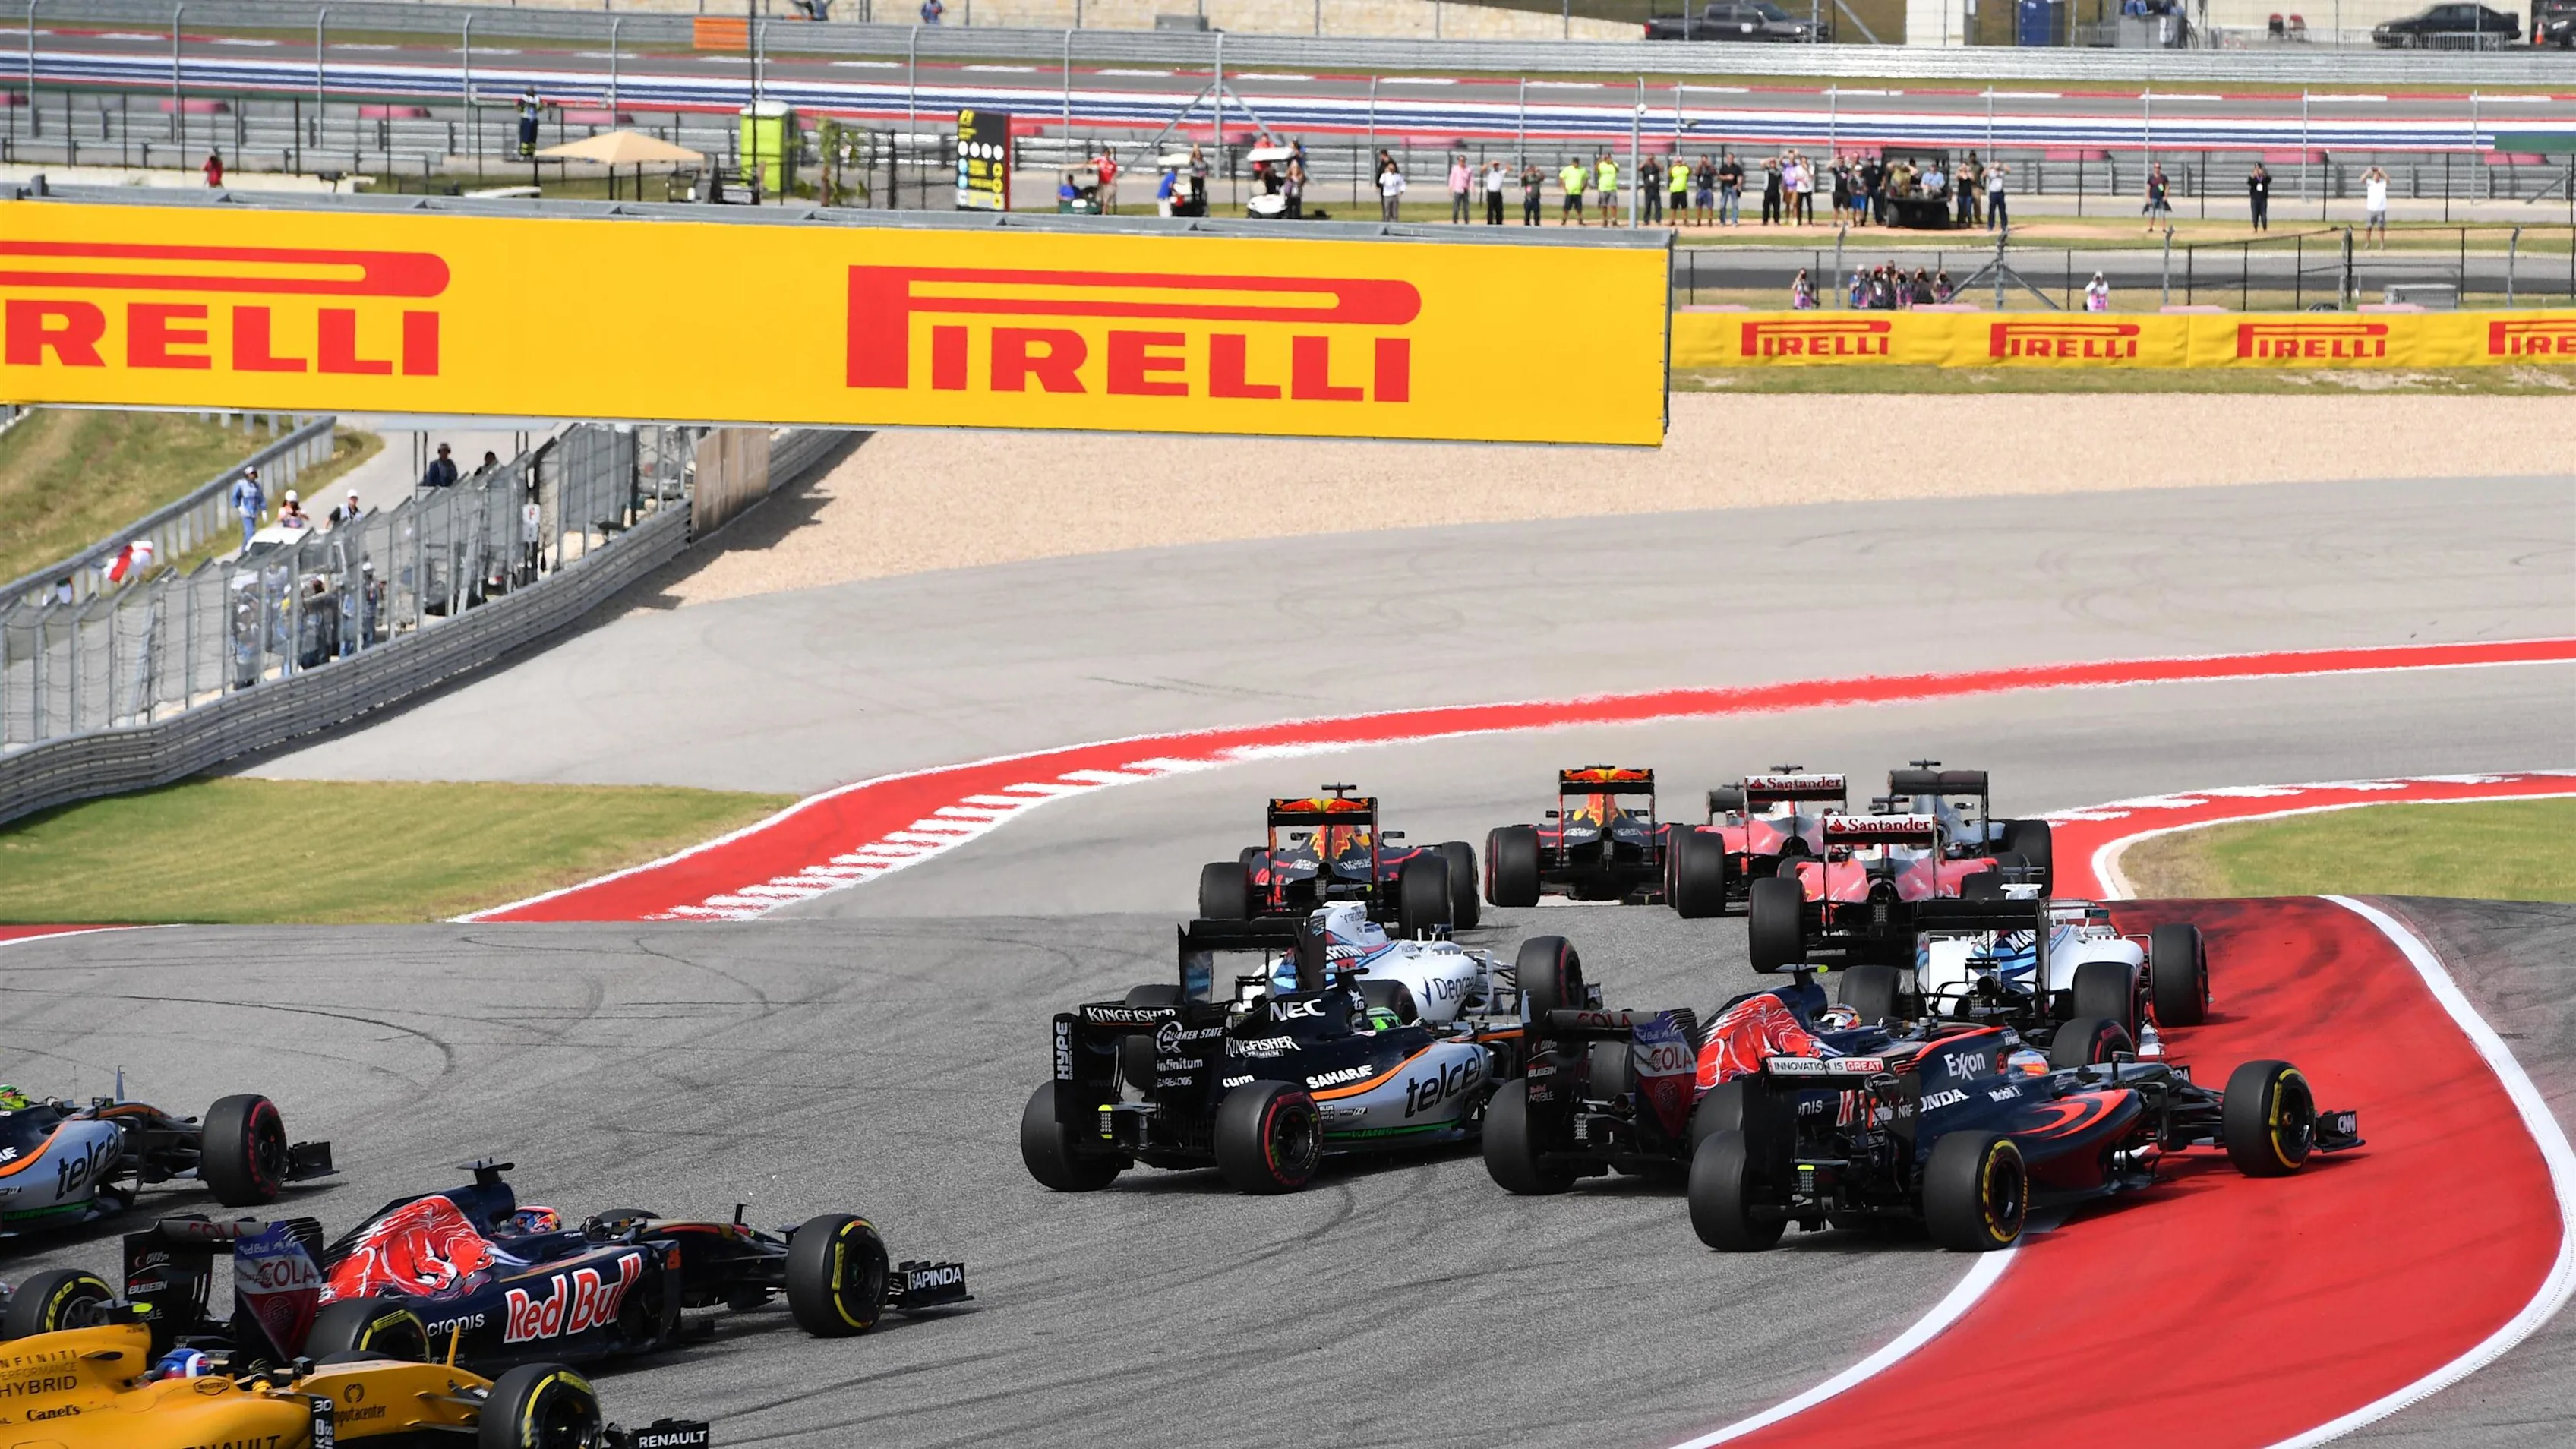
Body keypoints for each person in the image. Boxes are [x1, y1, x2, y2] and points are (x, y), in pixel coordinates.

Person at [229, 464, 267, 554]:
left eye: (254, 474)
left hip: (254, 513)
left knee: (248, 533)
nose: (253, 476)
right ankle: (249, 551)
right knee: (251, 532)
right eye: (251, 474)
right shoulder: (241, 484)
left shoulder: (257, 486)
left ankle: (244, 552)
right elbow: (235, 496)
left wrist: (263, 510)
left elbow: (261, 498)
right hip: (245, 512)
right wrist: (239, 507)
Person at [2363, 166, 2389, 248]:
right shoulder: (2370, 182)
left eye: (2378, 174)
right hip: (2371, 209)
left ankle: (2381, 243)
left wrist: (2383, 172)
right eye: (2375, 174)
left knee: (2381, 227)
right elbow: (2361, 180)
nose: (2376, 176)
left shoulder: (2382, 183)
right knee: (2368, 227)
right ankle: (2368, 243)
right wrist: (2368, 172)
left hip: (2380, 209)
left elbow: (2388, 180)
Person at [2142, 163, 2172, 229]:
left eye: (2158, 167)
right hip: (2153, 198)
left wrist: (2166, 196)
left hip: (2161, 198)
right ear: (2154, 168)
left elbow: (2167, 187)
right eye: (2156, 167)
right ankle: (2150, 227)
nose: (2157, 169)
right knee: (2151, 214)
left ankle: (2163, 228)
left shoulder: (2163, 178)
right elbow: (2148, 188)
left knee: (2162, 214)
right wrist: (2148, 198)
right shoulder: (2151, 178)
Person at [1717, 153, 1743, 226]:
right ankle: (1722, 221)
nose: (1730, 160)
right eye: (1728, 158)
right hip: (1725, 187)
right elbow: (1719, 177)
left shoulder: (1737, 168)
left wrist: (1737, 185)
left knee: (1735, 205)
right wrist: (1727, 177)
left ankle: (1734, 221)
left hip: (1733, 188)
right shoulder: (1723, 167)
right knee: (1723, 205)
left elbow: (1740, 177)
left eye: (1731, 158)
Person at [516, 88, 541, 162]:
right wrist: (524, 105)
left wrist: (534, 106)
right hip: (526, 119)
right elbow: (519, 109)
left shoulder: (537, 99)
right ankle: (523, 154)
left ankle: (531, 154)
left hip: (534, 119)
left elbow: (541, 108)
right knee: (525, 138)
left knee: (533, 138)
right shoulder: (523, 99)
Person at [1378, 155, 1406, 222]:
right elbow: (1381, 182)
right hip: (1387, 196)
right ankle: (1386, 224)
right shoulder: (1384, 176)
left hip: (1394, 195)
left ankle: (1395, 224)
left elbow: (1402, 184)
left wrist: (1401, 192)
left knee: (1394, 213)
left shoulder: (1397, 176)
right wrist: (1386, 173)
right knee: (1387, 213)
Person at [1594, 153, 1618, 226]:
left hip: (1612, 187)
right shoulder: (1601, 165)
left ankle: (1614, 219)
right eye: (1607, 158)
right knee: (1604, 205)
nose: (1608, 159)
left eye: (1609, 158)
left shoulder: (1614, 164)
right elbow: (1595, 169)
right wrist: (1600, 160)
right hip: (1603, 188)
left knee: (1613, 205)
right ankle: (1605, 220)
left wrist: (1612, 163)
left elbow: (1618, 170)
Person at [1559, 156, 1586, 224]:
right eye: (1574, 163)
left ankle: (1580, 220)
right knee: (1566, 207)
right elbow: (1561, 177)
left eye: (1577, 163)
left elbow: (1586, 179)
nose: (1576, 164)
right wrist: (1564, 187)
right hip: (1570, 192)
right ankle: (1564, 219)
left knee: (1579, 208)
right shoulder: (1567, 169)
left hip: (1578, 192)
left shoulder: (1582, 170)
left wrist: (1583, 188)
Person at [1694, 154, 1717, 227]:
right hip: (1701, 189)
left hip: (1708, 189)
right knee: (1698, 206)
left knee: (1710, 206)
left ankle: (1710, 221)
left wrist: (1709, 165)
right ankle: (1698, 221)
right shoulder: (1699, 168)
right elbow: (1696, 173)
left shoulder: (1710, 168)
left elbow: (1714, 172)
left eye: (1705, 159)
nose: (1704, 161)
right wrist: (1699, 165)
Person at [2247, 161, 2271, 232]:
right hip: (2255, 199)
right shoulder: (2253, 179)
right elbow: (2249, 182)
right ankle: (2255, 228)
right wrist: (2253, 176)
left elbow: (2269, 179)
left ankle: (2265, 227)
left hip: (2263, 199)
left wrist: (2264, 174)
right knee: (2255, 214)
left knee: (2263, 214)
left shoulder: (2264, 179)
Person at [1639, 156, 1663, 226]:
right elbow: (1639, 168)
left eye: (1652, 159)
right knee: (1647, 205)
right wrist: (1646, 160)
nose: (1651, 160)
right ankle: (1646, 220)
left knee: (1658, 205)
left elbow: (1662, 169)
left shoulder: (1656, 166)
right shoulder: (1645, 166)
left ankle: (1658, 220)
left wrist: (1655, 161)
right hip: (1648, 188)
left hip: (1655, 188)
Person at [1986, 160, 2009, 232]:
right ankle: (1990, 225)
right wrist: (1991, 166)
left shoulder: (2002, 172)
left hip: (2000, 192)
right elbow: (1984, 174)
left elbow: (2009, 170)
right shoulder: (1991, 172)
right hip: (1993, 193)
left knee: (2002, 210)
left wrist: (2001, 166)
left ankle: (2004, 225)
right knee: (1992, 210)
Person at [1448, 153, 1472, 223]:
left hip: (1465, 190)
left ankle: (1466, 221)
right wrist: (1450, 188)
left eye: (1463, 161)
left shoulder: (1468, 169)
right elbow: (1452, 179)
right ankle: (1455, 221)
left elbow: (1471, 179)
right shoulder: (1455, 169)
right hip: (1458, 190)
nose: (1462, 162)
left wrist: (1471, 187)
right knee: (1456, 207)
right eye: (1460, 161)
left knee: (1466, 208)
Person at [1096, 146, 1119, 213]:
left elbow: (1115, 174)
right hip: (1102, 183)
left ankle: (1104, 213)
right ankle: (1101, 211)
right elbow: (1090, 163)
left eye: (1108, 153)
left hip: (1109, 184)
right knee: (1099, 199)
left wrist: (1114, 182)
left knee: (1106, 200)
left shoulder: (1113, 164)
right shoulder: (1100, 161)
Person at [1483, 159, 1507, 224]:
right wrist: (1490, 163)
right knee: (1490, 209)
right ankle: (1490, 222)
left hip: (1498, 192)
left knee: (1499, 210)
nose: (1496, 166)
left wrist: (1502, 163)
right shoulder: (1490, 172)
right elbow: (1483, 169)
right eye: (1495, 165)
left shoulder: (1501, 172)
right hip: (1491, 193)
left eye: (1497, 165)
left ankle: (1499, 223)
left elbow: (1510, 169)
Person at [1760, 158, 1782, 226]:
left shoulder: (1778, 172)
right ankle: (1765, 221)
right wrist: (1769, 159)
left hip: (1776, 191)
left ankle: (1776, 221)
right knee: (1766, 207)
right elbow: (1762, 162)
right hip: (1768, 191)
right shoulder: (1766, 170)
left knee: (1776, 208)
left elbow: (1780, 180)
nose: (1772, 164)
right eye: (1771, 163)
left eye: (1774, 163)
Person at [1522, 159, 1544, 225]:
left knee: (1537, 214)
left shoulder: (1537, 177)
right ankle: (1527, 224)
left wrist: (1539, 171)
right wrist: (1527, 171)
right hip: (1528, 198)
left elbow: (1543, 177)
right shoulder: (1527, 178)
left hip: (1536, 198)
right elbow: (1522, 177)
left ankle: (1537, 224)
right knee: (1527, 214)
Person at [1669, 157, 1689, 227]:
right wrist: (1673, 165)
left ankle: (1685, 220)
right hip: (1674, 189)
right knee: (1673, 207)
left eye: (1680, 162)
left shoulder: (1685, 168)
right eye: (1678, 162)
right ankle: (1672, 220)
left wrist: (1686, 164)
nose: (1679, 163)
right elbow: (1669, 174)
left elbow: (1690, 172)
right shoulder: (1674, 169)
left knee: (1684, 206)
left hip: (1682, 190)